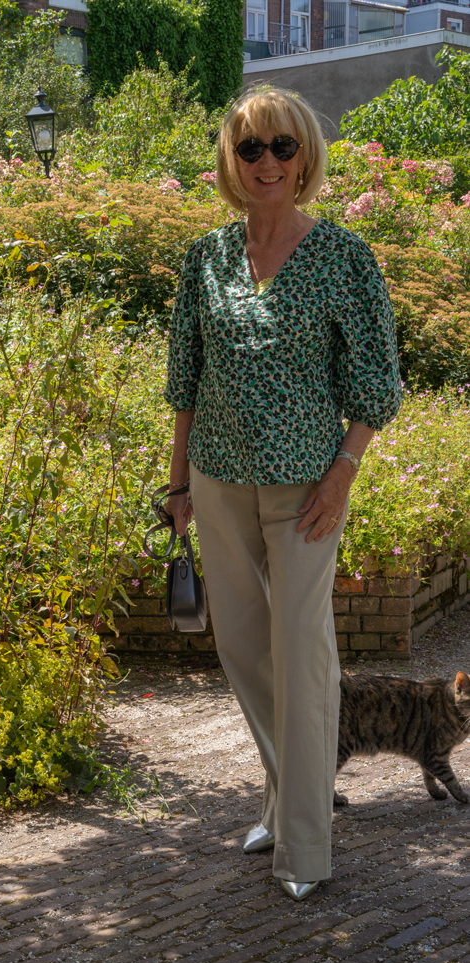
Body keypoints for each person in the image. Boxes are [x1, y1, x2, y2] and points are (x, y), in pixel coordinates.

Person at [164, 86, 402, 900]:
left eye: (282, 147)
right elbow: (186, 379)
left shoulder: (343, 257)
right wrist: (177, 482)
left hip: (307, 486)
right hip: (218, 477)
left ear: (304, 157)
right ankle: (280, 792)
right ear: (231, 161)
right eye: (251, 148)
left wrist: (344, 470)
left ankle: (304, 845)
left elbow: (376, 385)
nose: (267, 161)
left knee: (302, 655)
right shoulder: (206, 258)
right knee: (242, 648)